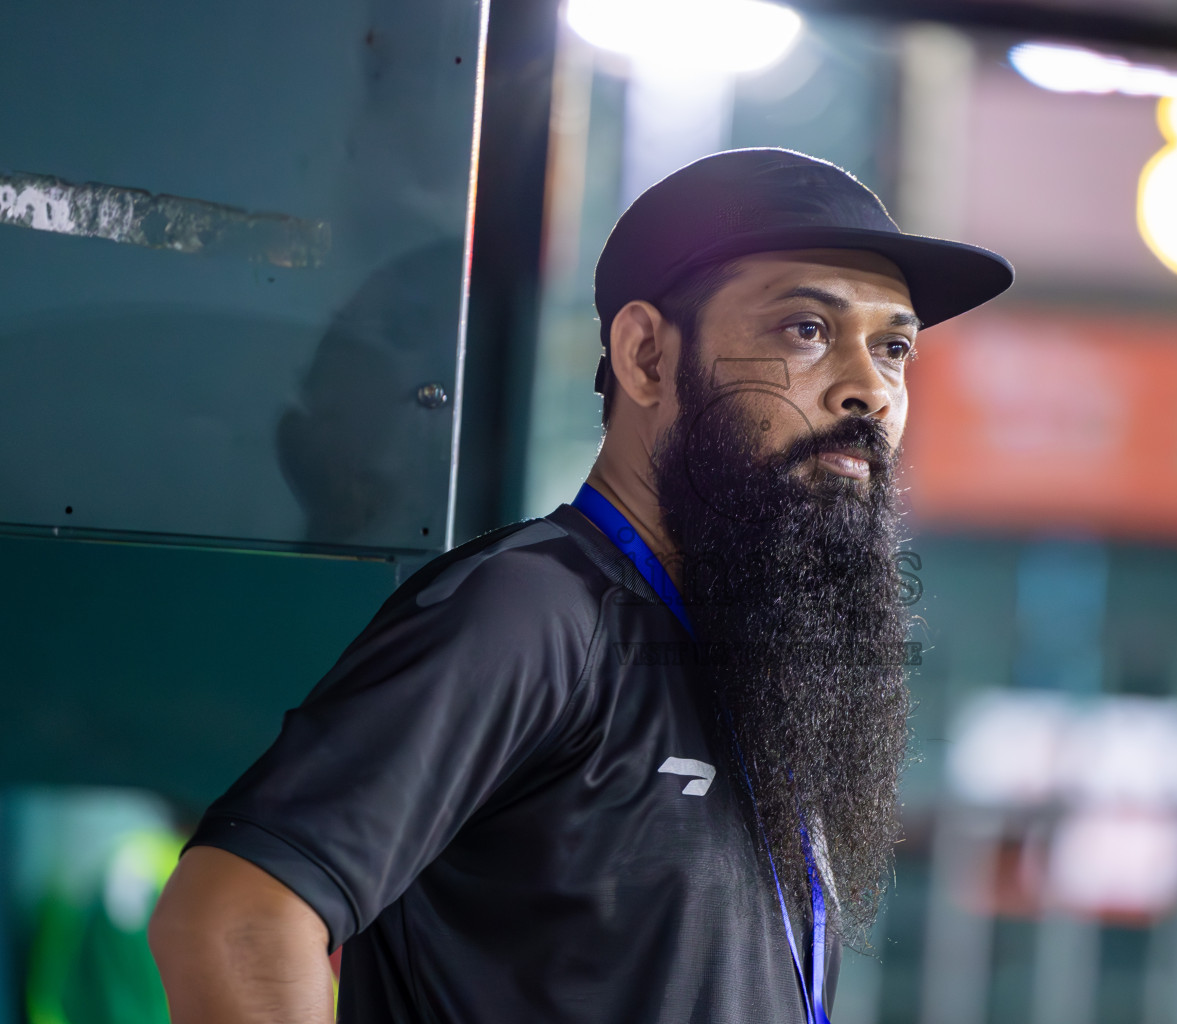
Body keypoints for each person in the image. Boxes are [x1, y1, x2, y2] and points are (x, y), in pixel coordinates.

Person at [147, 147, 1013, 1024]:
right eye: (807, 330)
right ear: (644, 356)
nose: (869, 389)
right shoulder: (533, 613)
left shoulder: (752, 669)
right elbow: (234, 923)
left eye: (894, 347)